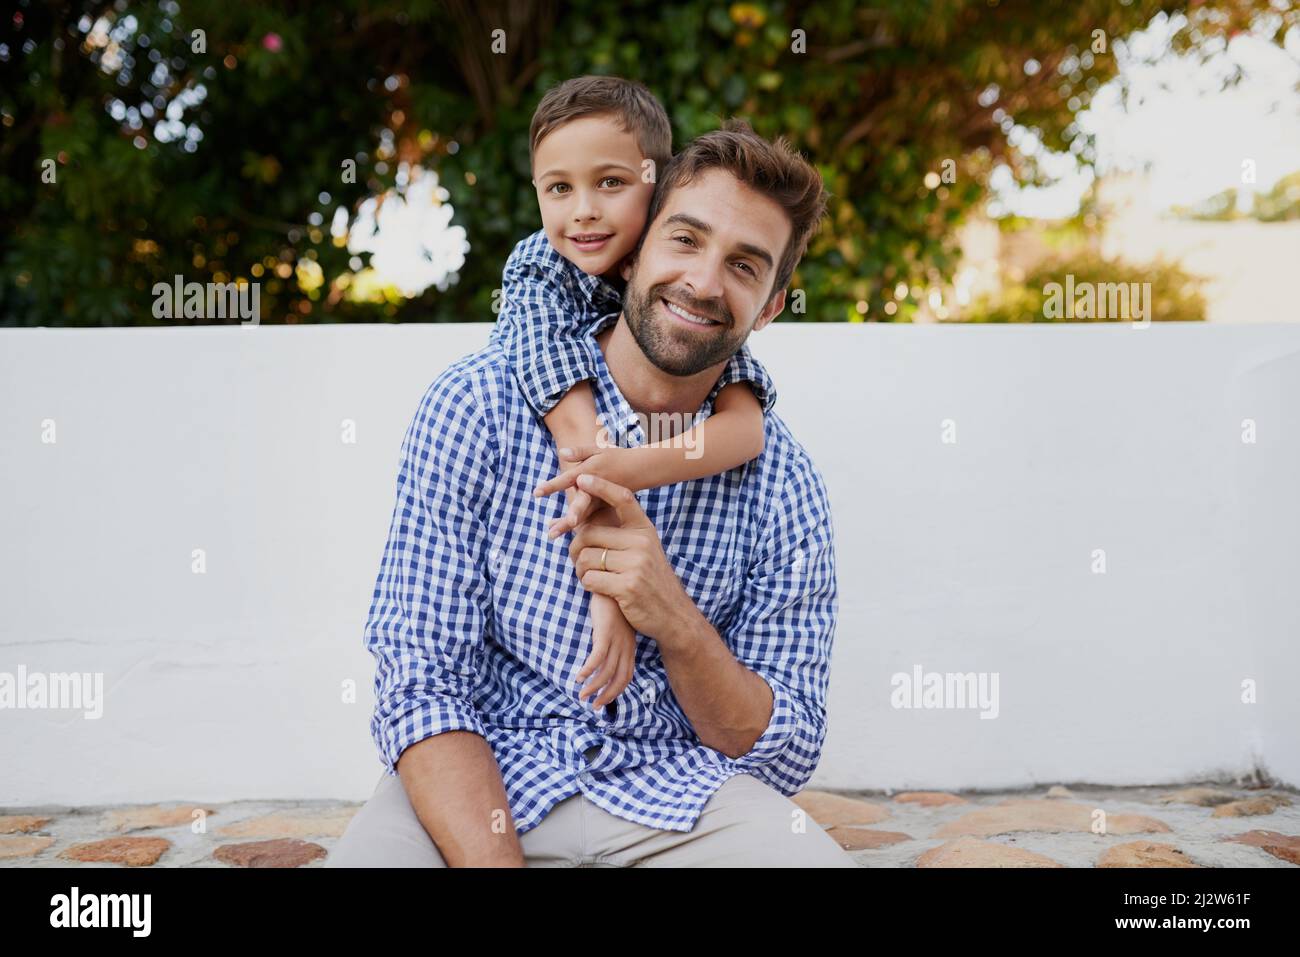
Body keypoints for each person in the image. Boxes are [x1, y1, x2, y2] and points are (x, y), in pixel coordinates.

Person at [328, 115, 856, 867]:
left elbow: (782, 750)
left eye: (745, 266)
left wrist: (673, 618)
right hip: (485, 773)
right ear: (635, 249)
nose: (704, 282)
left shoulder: (783, 484)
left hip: (677, 791)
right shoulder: (477, 406)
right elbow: (421, 683)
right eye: (686, 239)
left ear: (769, 306)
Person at [491, 75, 777, 709]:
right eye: (558, 188)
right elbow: (579, 444)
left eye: (611, 183)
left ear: (660, 187)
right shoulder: (541, 271)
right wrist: (609, 596)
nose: (584, 210)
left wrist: (632, 468)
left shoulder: (686, 292)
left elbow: (747, 429)